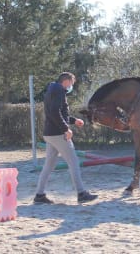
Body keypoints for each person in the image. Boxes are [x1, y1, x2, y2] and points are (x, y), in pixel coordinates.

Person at [33, 72, 98, 204]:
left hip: (50, 133)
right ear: (66, 81)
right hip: (58, 134)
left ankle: (39, 195)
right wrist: (65, 129)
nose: (71, 86)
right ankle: (81, 193)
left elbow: (58, 113)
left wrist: (74, 121)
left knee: (49, 165)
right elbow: (55, 112)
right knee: (73, 161)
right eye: (71, 83)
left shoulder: (52, 90)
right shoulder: (59, 91)